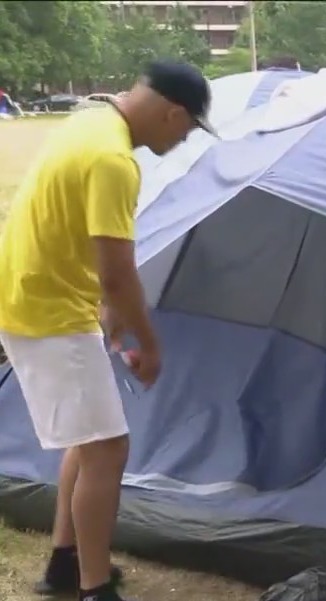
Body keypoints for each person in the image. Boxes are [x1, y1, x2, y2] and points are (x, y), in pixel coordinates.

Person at [0, 61, 214, 601]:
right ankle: (95, 589)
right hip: (45, 314)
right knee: (108, 449)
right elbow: (119, 272)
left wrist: (107, 311)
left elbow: (81, 241)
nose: (182, 140)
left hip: (36, 297)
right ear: (172, 112)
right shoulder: (114, 160)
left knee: (90, 440)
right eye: (187, 130)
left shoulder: (90, 121)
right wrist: (150, 343)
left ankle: (64, 564)